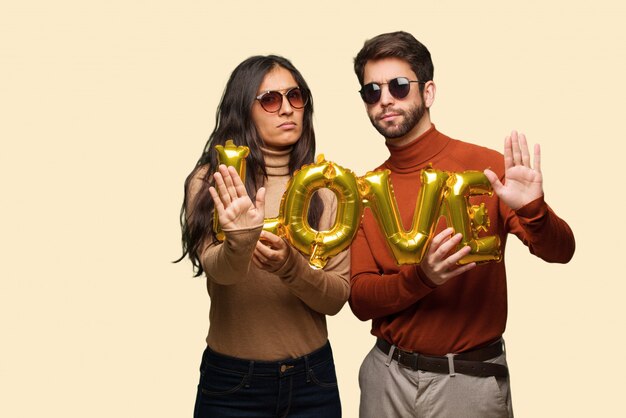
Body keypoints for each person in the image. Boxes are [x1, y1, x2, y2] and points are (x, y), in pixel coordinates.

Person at [349, 31, 575, 418]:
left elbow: (562, 252)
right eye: (371, 91)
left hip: (467, 381)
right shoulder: (364, 189)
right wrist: (423, 278)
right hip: (386, 377)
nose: (384, 99)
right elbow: (360, 299)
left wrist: (535, 210)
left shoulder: (486, 169)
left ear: (429, 92)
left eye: (399, 86)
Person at [178, 55, 349, 417]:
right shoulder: (213, 180)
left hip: (312, 381)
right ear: (244, 109)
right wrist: (239, 241)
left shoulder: (325, 188)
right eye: (271, 99)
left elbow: (336, 298)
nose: (287, 109)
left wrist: (290, 267)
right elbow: (220, 272)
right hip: (232, 384)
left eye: (295, 96)